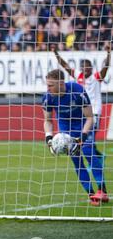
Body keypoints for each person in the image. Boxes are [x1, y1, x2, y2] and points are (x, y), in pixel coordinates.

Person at [42, 69, 108, 206]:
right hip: (66, 129)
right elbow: (47, 120)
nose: (48, 88)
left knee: (89, 153)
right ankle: (91, 194)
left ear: (61, 83)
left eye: (50, 85)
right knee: (77, 161)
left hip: (83, 124)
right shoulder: (47, 97)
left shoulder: (77, 90)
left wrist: (83, 136)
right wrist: (49, 138)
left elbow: (90, 118)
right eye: (47, 85)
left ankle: (102, 190)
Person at [53, 45, 110, 133]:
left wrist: (108, 53)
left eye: (88, 66)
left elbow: (106, 67)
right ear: (81, 68)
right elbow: (65, 65)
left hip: (94, 110)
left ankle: (90, 146)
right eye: (83, 67)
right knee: (81, 134)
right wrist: (55, 53)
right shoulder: (79, 76)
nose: (85, 68)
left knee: (91, 134)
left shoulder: (96, 77)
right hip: (82, 110)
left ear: (91, 68)